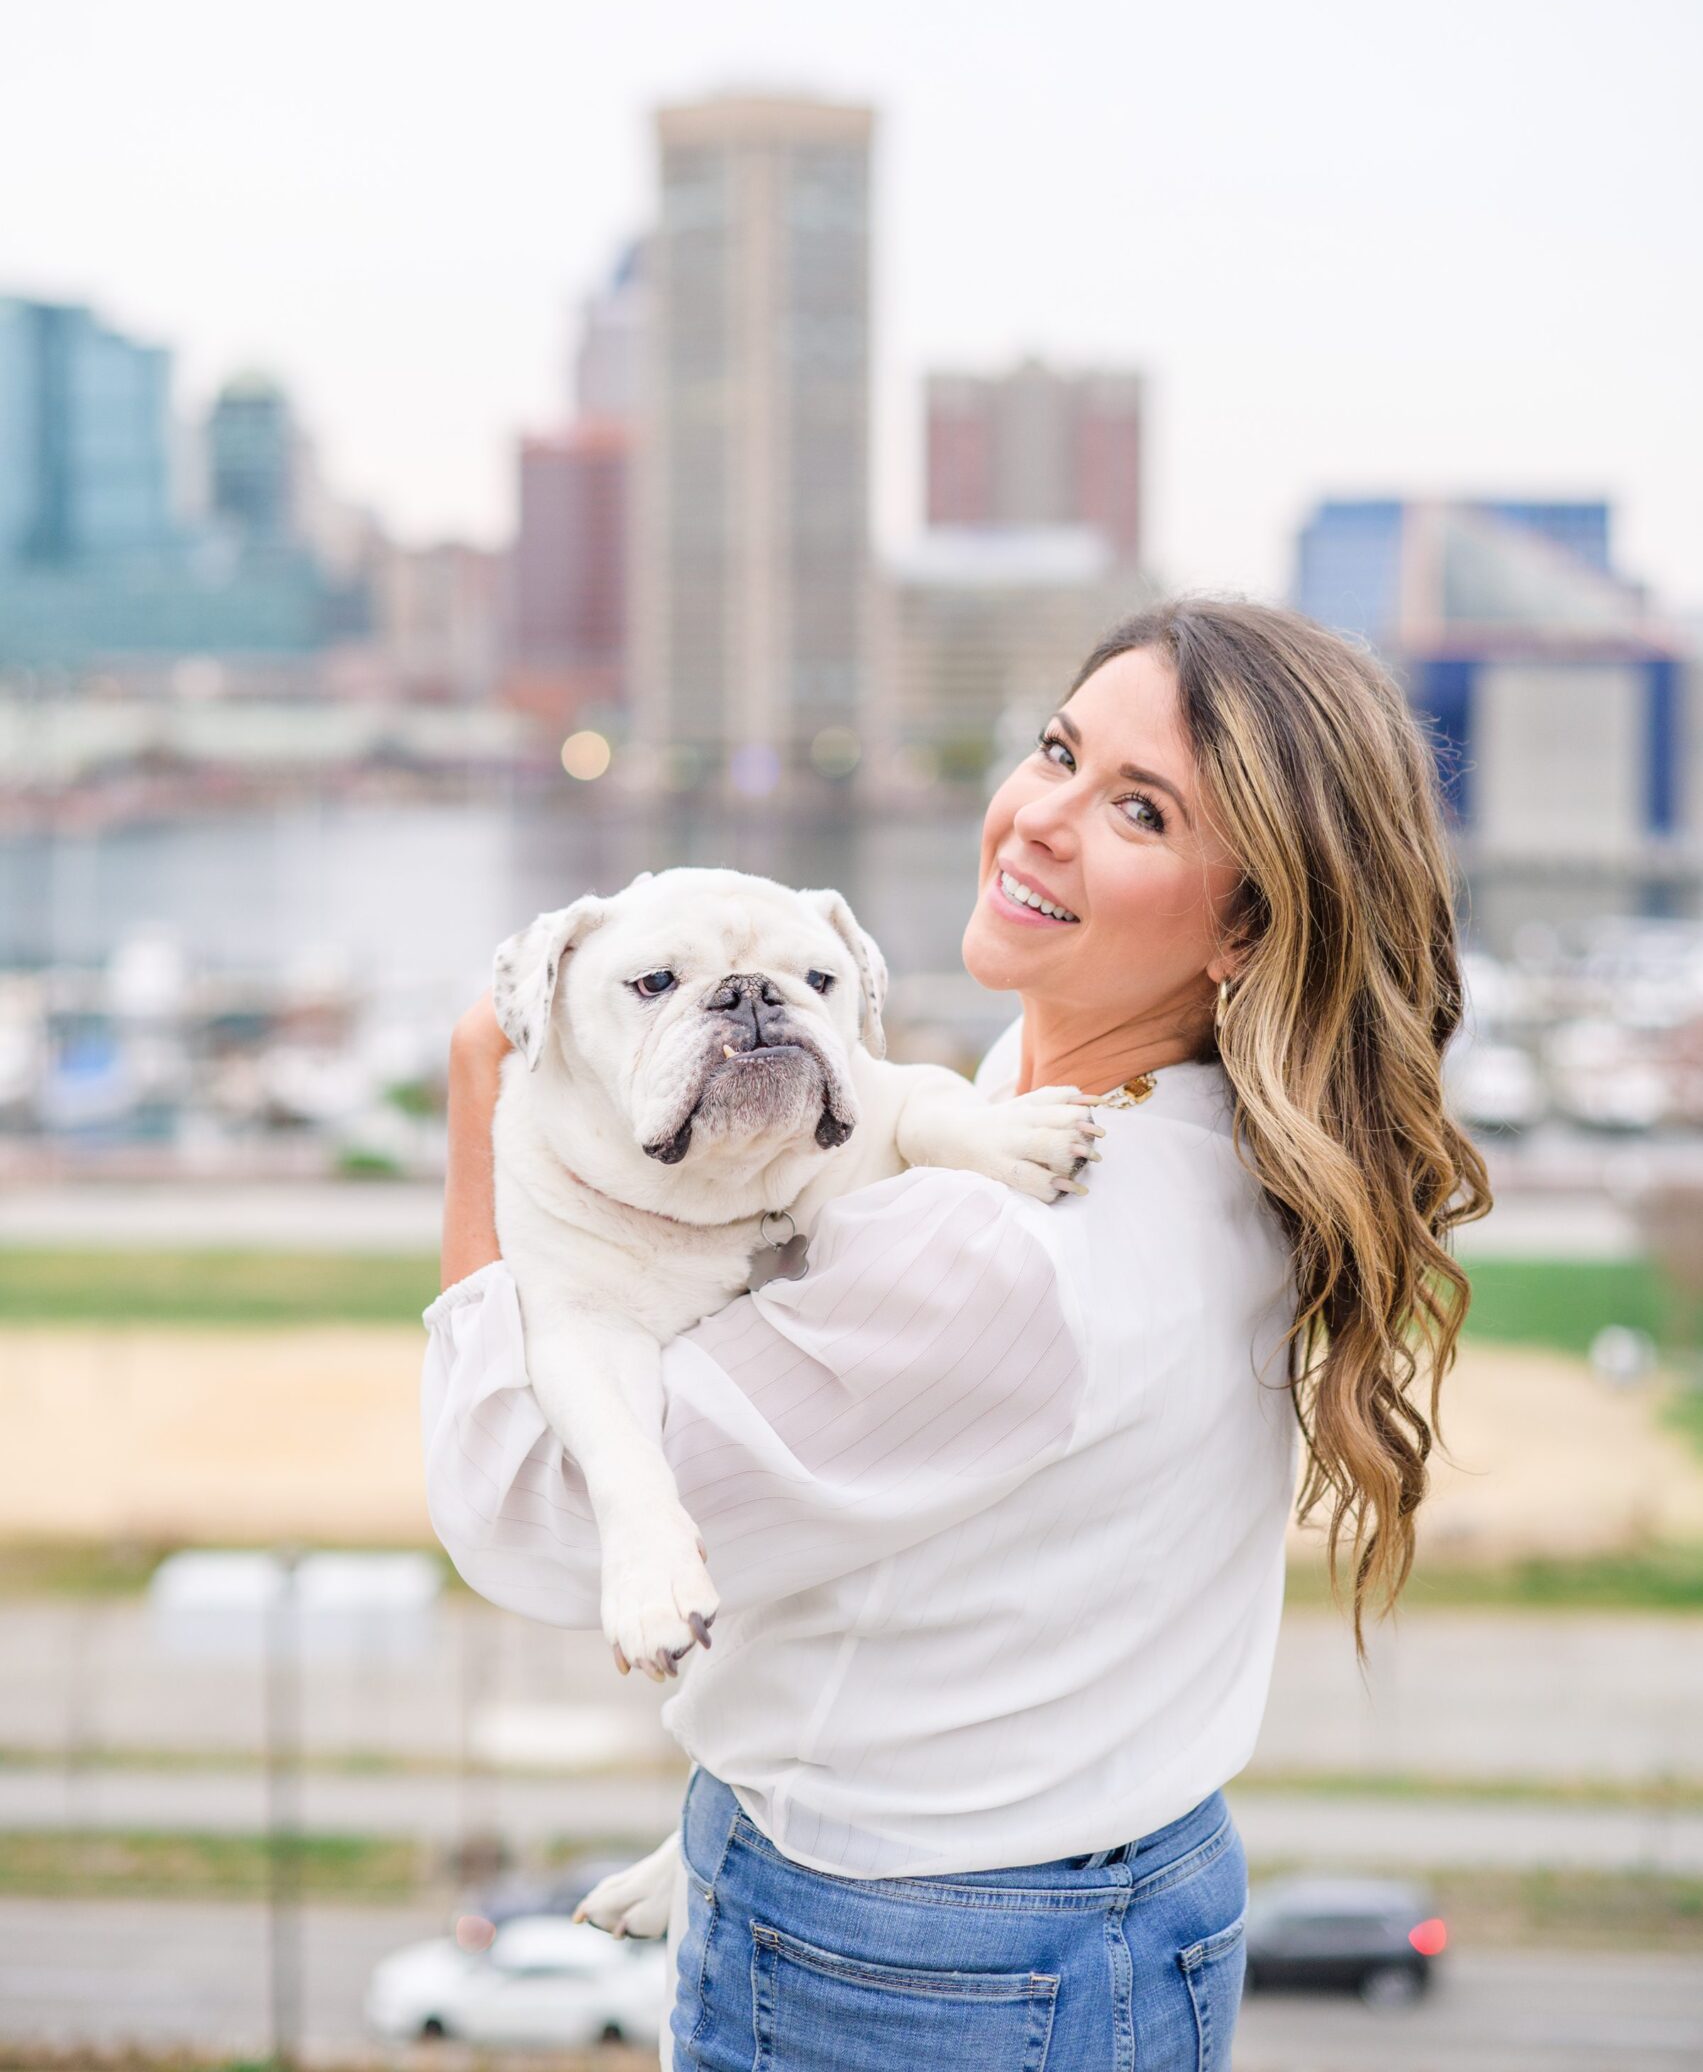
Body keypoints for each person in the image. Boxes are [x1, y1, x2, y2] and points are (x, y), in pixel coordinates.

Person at [422, 597, 1488, 2071]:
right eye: (1056, 750)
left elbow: (524, 1518)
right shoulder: (1151, 1123)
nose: (1041, 818)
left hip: (915, 1966)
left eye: (1137, 809)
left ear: (1246, 923)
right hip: (1107, 1886)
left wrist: (489, 1110)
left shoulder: (994, 1252)